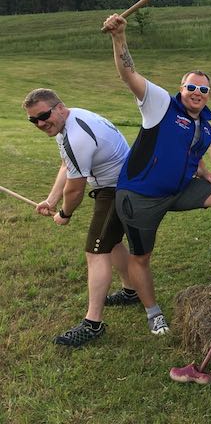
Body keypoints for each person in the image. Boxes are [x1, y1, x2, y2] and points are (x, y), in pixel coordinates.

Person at [102, 13, 211, 335]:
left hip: (178, 190)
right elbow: (128, 74)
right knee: (142, 257)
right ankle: (153, 312)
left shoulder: (205, 123)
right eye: (191, 86)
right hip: (141, 197)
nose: (197, 92)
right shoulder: (160, 104)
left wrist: (204, 173)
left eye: (203, 89)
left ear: (209, 94)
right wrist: (119, 38)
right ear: (181, 88)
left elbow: (193, 153)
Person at [23, 88, 134, 347]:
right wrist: (50, 200)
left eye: (44, 115)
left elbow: (75, 188)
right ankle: (131, 292)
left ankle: (92, 324)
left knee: (96, 252)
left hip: (117, 188)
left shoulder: (75, 135)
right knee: (112, 242)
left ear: (59, 108)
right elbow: (66, 165)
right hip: (118, 185)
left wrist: (64, 213)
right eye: (33, 120)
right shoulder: (67, 124)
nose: (40, 123)